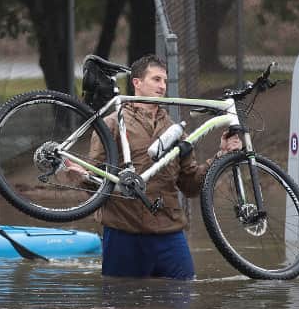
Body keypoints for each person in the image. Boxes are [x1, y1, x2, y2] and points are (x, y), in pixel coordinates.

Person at [64, 54, 241, 279]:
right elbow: (94, 175)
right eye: (156, 79)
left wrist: (221, 155)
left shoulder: (176, 131)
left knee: (183, 298)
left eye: (165, 81)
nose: (162, 86)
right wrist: (79, 177)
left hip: (168, 232)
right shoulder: (111, 124)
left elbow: (191, 186)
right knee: (120, 307)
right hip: (122, 231)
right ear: (137, 83)